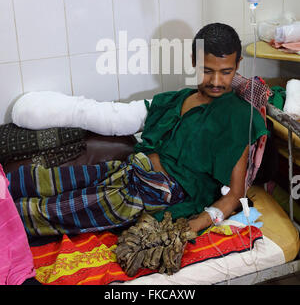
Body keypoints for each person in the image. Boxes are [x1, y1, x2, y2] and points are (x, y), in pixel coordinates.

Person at [7, 23, 268, 237]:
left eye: (226, 72)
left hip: (149, 196)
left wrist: (196, 224)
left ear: (238, 64)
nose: (216, 81)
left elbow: (236, 193)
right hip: (128, 171)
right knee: (40, 180)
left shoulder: (239, 116)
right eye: (207, 70)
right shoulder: (176, 100)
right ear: (193, 61)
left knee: (44, 212)